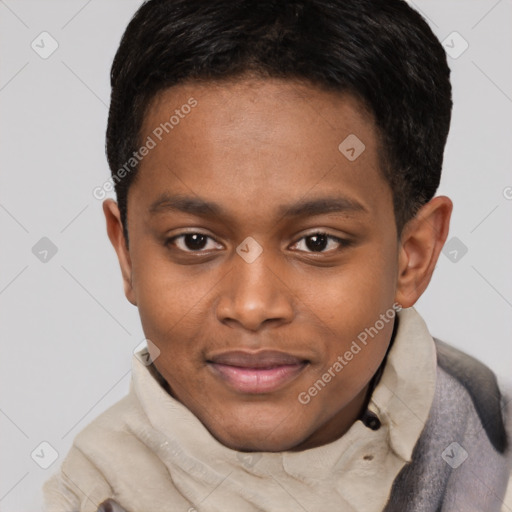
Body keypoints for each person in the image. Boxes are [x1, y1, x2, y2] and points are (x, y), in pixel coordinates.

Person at [43, 0, 512, 510]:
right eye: (195, 241)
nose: (251, 305)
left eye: (317, 242)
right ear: (127, 252)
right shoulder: (92, 495)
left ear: (412, 256)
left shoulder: (492, 457)